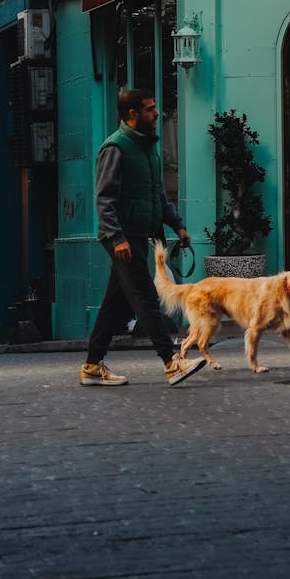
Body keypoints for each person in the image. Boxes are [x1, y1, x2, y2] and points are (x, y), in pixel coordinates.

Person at [79, 88, 206, 387]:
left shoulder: (148, 148)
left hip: (138, 234)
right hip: (123, 238)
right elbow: (104, 199)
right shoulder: (116, 147)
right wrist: (117, 237)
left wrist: (177, 225)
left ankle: (92, 365)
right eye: (150, 109)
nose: (157, 113)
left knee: (115, 303)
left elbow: (157, 194)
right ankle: (172, 362)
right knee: (146, 298)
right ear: (132, 114)